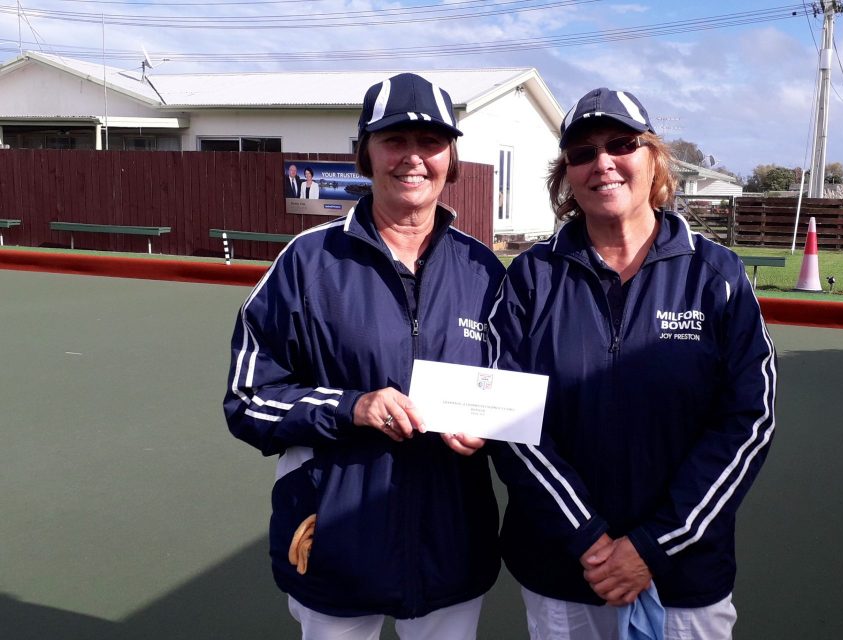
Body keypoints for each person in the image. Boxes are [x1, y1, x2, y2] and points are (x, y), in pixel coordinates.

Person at [488, 88, 777, 640]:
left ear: (654, 158)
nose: (602, 163)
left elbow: (748, 422)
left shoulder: (717, 276)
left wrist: (653, 545)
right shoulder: (530, 279)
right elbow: (511, 425)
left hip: (685, 573)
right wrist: (590, 541)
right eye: (581, 152)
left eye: (621, 144)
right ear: (566, 173)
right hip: (566, 569)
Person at [225, 72, 504, 640]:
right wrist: (351, 408)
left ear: (451, 158)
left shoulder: (485, 271)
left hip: (450, 540)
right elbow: (247, 400)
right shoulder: (306, 264)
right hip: (335, 537)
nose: (413, 158)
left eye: (430, 143)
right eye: (394, 140)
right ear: (364, 154)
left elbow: (512, 388)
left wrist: (489, 428)